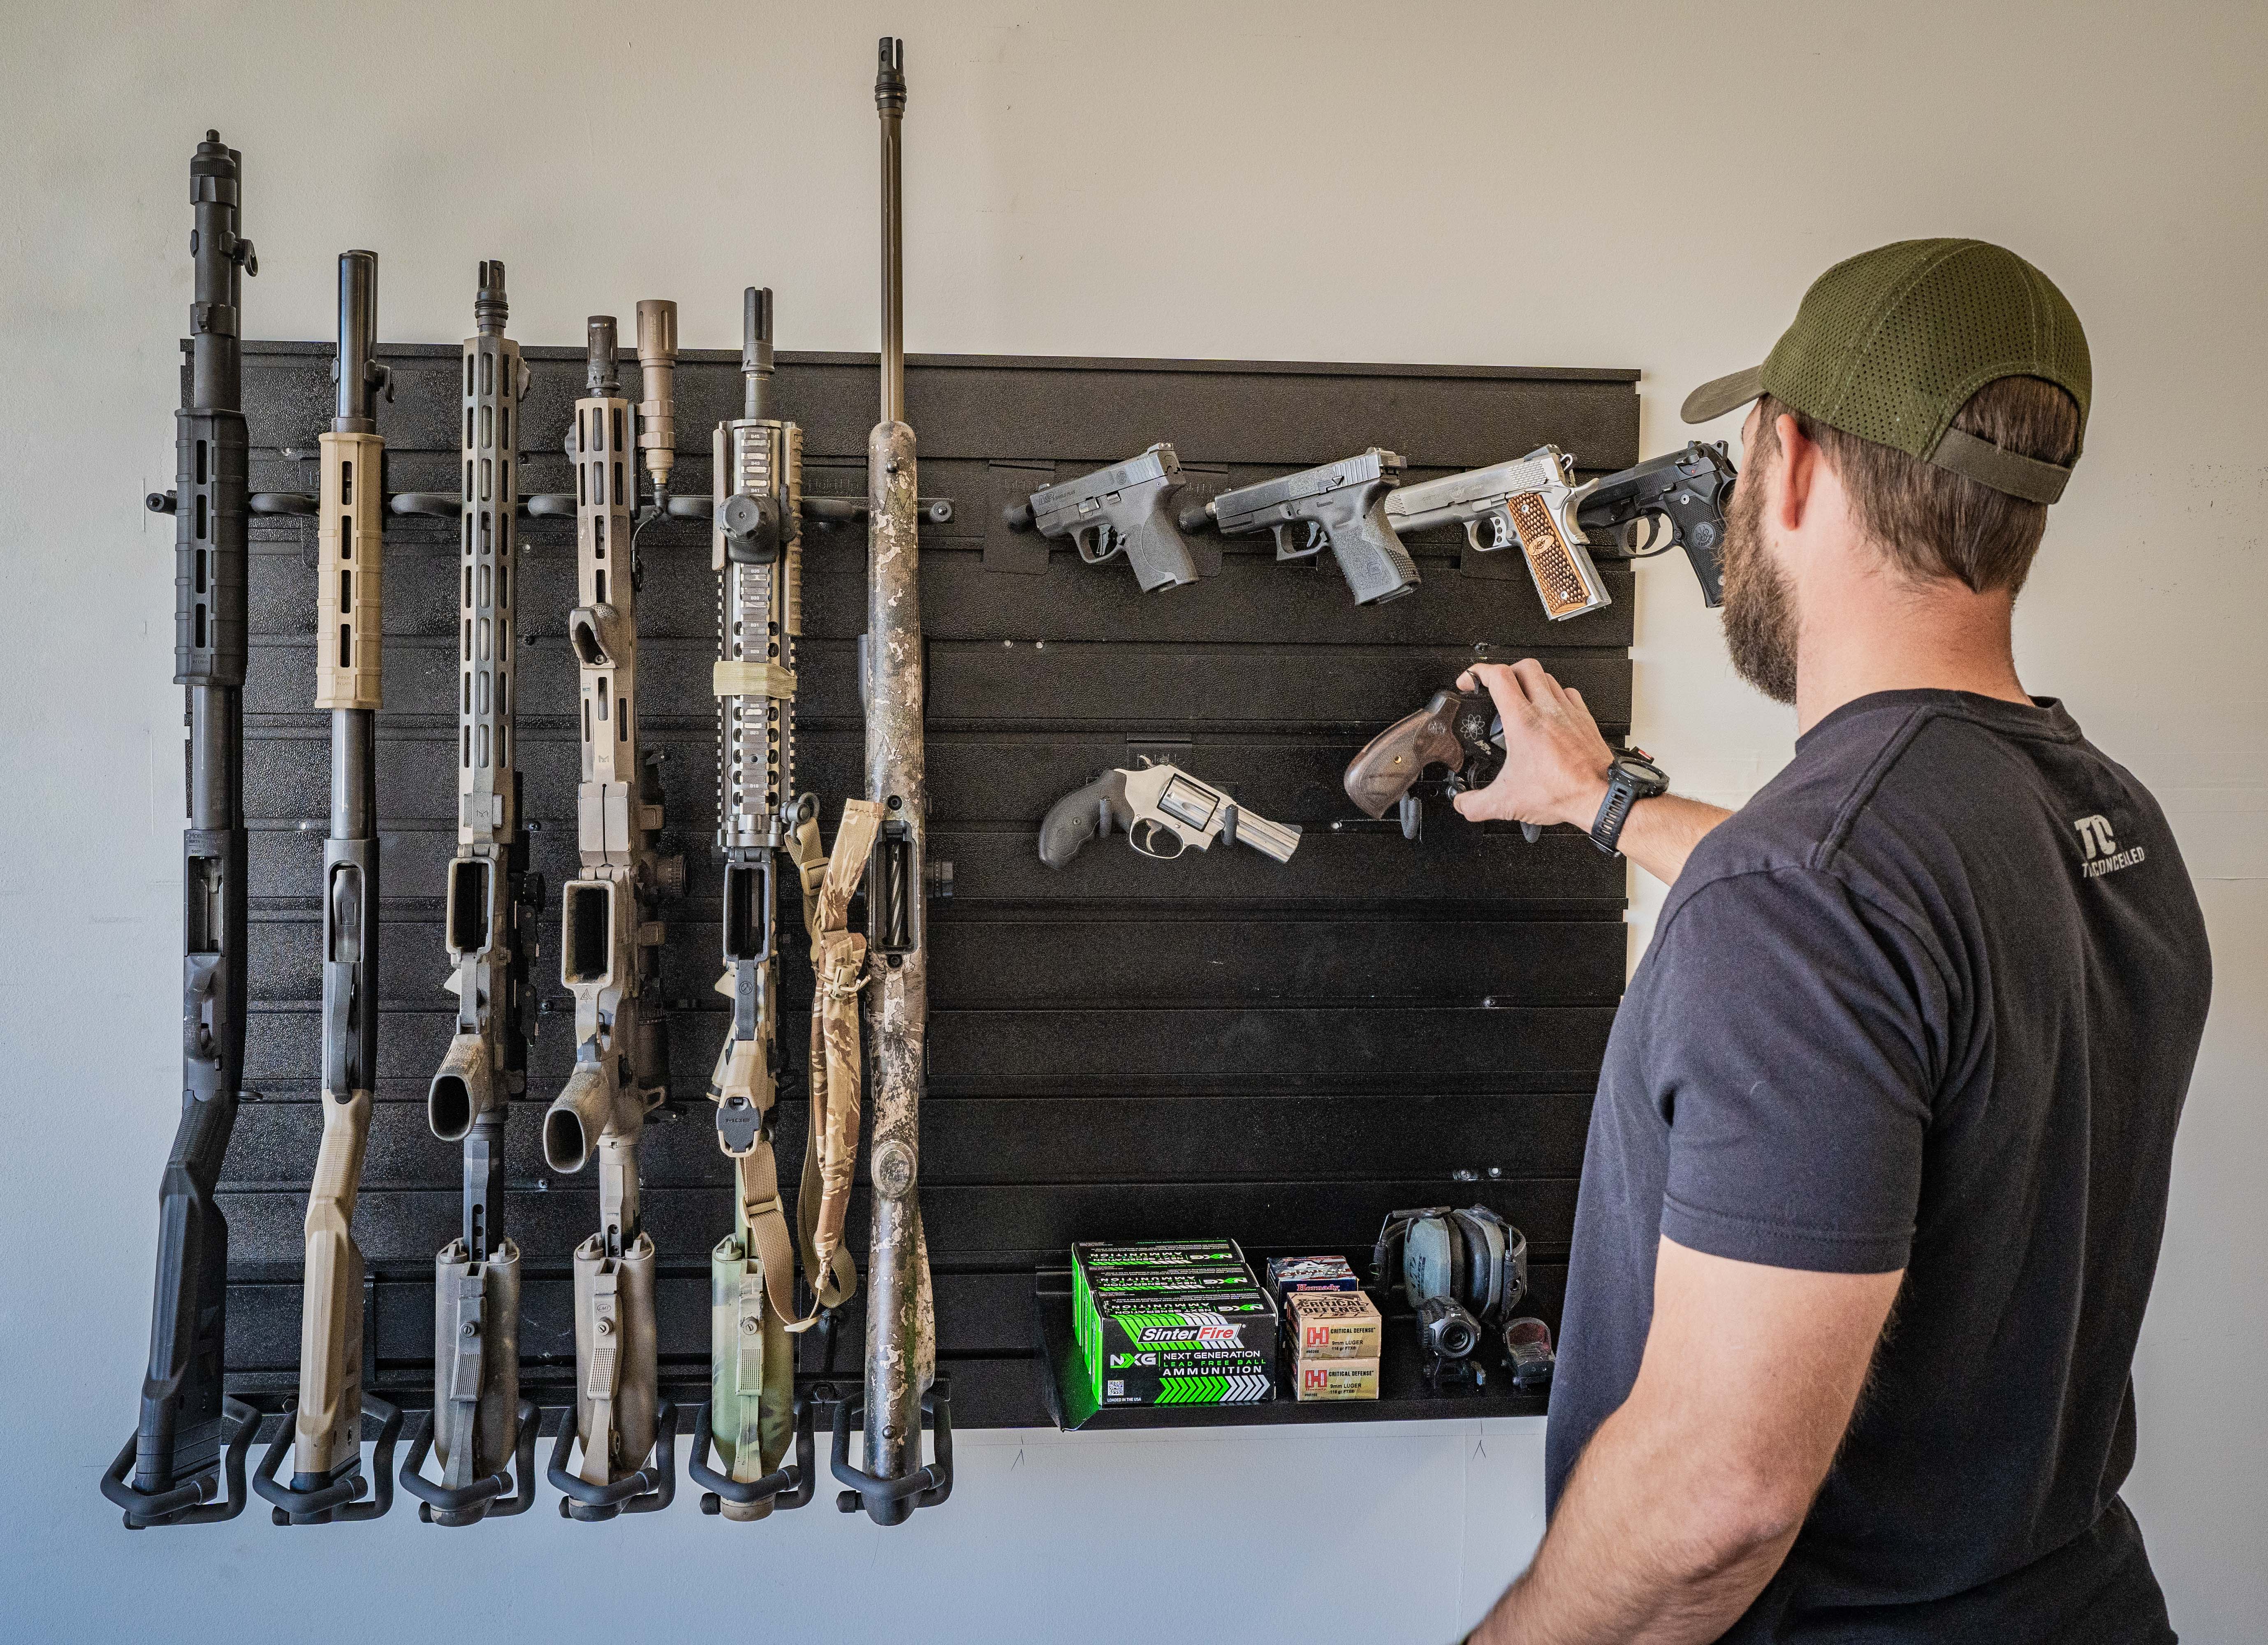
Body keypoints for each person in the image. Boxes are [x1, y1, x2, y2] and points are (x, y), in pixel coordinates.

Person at [1459, 240, 2211, 1644]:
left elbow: (1715, 1501)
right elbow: (1877, 941)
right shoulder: (2100, 820)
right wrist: (1600, 802)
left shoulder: (1808, 895)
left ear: (1789, 461)